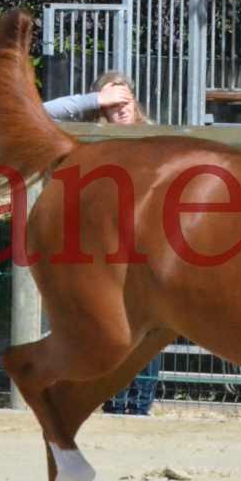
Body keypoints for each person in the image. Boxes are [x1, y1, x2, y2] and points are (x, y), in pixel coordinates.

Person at [43, 71, 162, 414]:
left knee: (150, 324)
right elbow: (43, 112)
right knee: (108, 325)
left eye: (125, 100)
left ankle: (140, 407)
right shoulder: (94, 139)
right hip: (102, 248)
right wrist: (96, 100)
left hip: (146, 246)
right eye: (112, 104)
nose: (121, 109)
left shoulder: (155, 135)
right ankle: (112, 401)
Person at [43, 70, 149, 125]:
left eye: (126, 102)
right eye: (114, 105)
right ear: (102, 109)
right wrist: (97, 99)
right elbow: (42, 112)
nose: (123, 111)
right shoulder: (89, 133)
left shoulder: (150, 133)